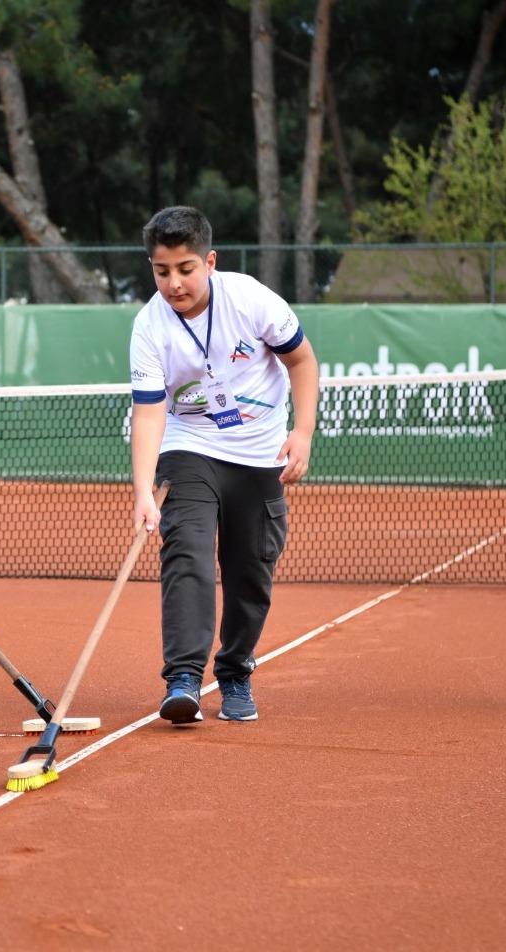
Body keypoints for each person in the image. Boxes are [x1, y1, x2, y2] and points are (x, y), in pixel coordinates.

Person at [128, 205, 318, 725]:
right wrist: (144, 490)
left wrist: (301, 433)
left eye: (185, 269)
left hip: (260, 454)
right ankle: (183, 678)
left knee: (250, 572)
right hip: (191, 446)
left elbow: (302, 360)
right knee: (186, 552)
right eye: (161, 271)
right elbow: (148, 412)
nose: (173, 283)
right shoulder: (149, 327)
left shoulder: (252, 299)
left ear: (209, 262)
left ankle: (234, 672)